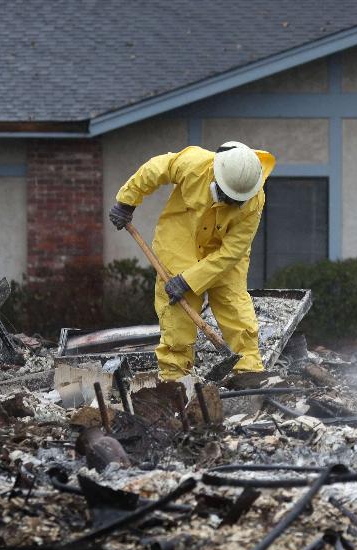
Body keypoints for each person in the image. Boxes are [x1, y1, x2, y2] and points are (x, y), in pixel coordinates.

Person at [108, 142, 276, 384]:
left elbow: (232, 252)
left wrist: (189, 280)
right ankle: (174, 382)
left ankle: (248, 374)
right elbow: (155, 170)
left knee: (237, 312)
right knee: (178, 321)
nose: (232, 204)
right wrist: (126, 201)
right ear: (217, 179)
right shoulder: (194, 164)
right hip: (180, 244)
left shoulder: (254, 199)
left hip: (224, 257)